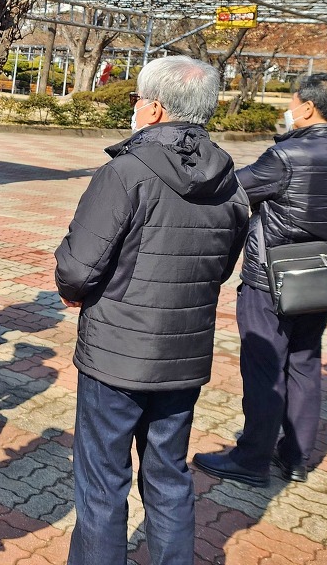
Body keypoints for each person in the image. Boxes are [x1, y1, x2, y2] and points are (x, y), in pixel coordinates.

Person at [54, 56, 248, 565]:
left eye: (138, 99)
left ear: (156, 109)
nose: (135, 108)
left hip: (116, 353)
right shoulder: (230, 181)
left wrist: (74, 289)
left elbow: (76, 268)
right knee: (169, 474)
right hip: (183, 351)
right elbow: (221, 266)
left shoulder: (125, 172)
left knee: (102, 481)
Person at [193, 74, 327, 486]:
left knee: (265, 366)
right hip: (322, 273)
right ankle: (296, 457)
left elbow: (234, 189)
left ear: (307, 107)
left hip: (271, 276)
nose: (289, 109)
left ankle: (251, 458)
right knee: (304, 362)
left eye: (292, 103)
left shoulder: (287, 155)